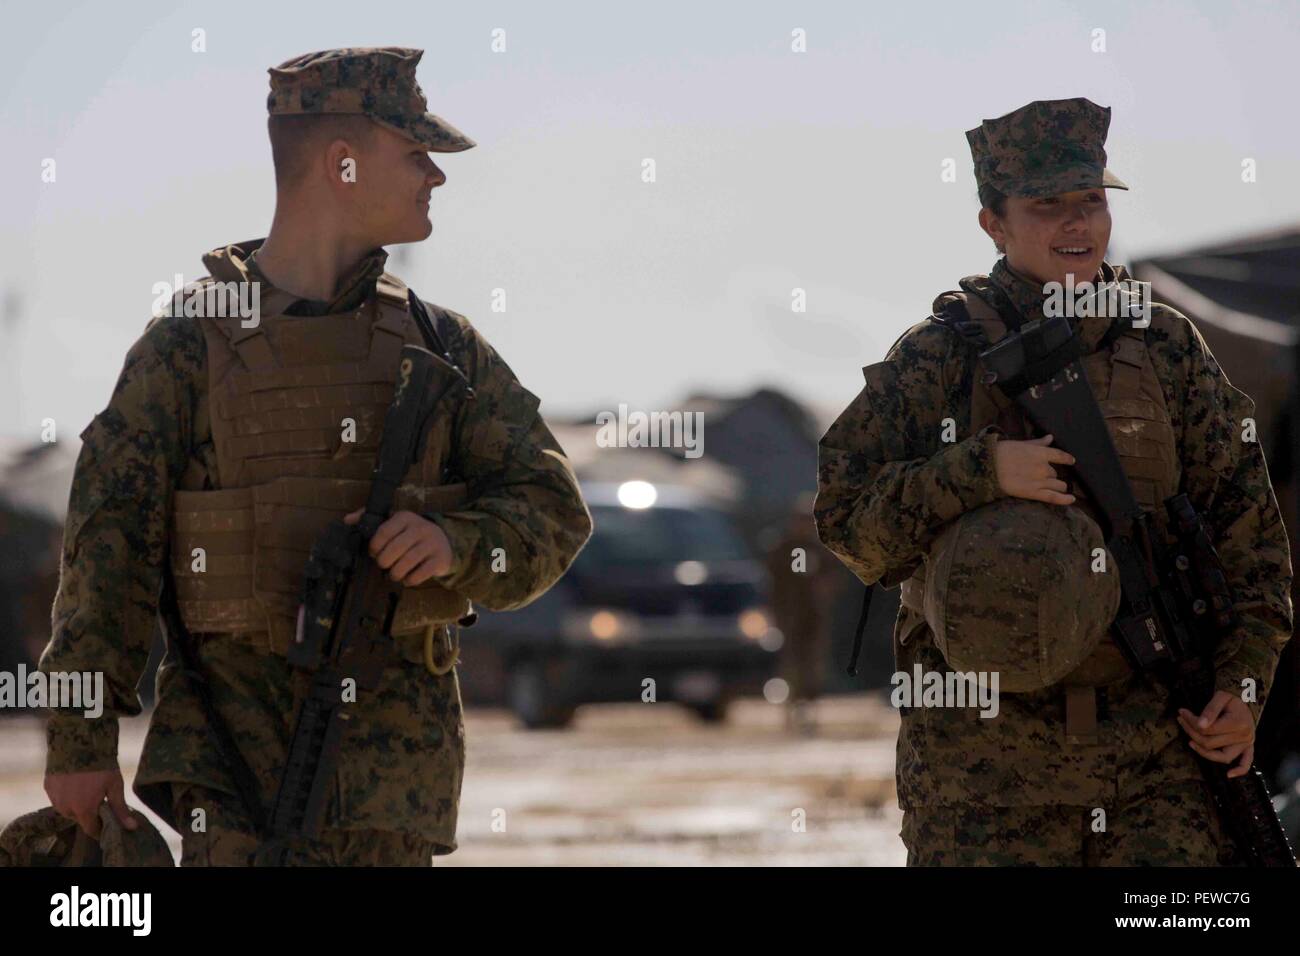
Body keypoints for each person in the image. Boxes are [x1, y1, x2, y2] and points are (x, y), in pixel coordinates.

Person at [38, 47, 593, 866]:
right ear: (341, 162)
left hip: (392, 789)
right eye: (415, 154)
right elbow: (106, 557)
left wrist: (459, 544)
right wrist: (79, 745)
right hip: (233, 779)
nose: (435, 177)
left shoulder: (442, 347)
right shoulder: (188, 346)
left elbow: (552, 508)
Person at [815, 98, 1294, 865]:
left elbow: (1253, 544)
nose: (1078, 225)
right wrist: (978, 472)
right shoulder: (938, 359)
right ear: (993, 223)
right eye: (1048, 206)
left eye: (1092, 202)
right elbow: (847, 525)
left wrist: (1242, 690)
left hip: (1155, 766)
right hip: (984, 779)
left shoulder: (1166, 349)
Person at [764, 493, 841, 734]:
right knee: (791, 667)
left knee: (813, 667)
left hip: (814, 617)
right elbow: (772, 584)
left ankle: (810, 712)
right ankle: (789, 712)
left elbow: (833, 578)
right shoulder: (782, 549)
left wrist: (825, 591)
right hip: (789, 617)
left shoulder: (819, 549)